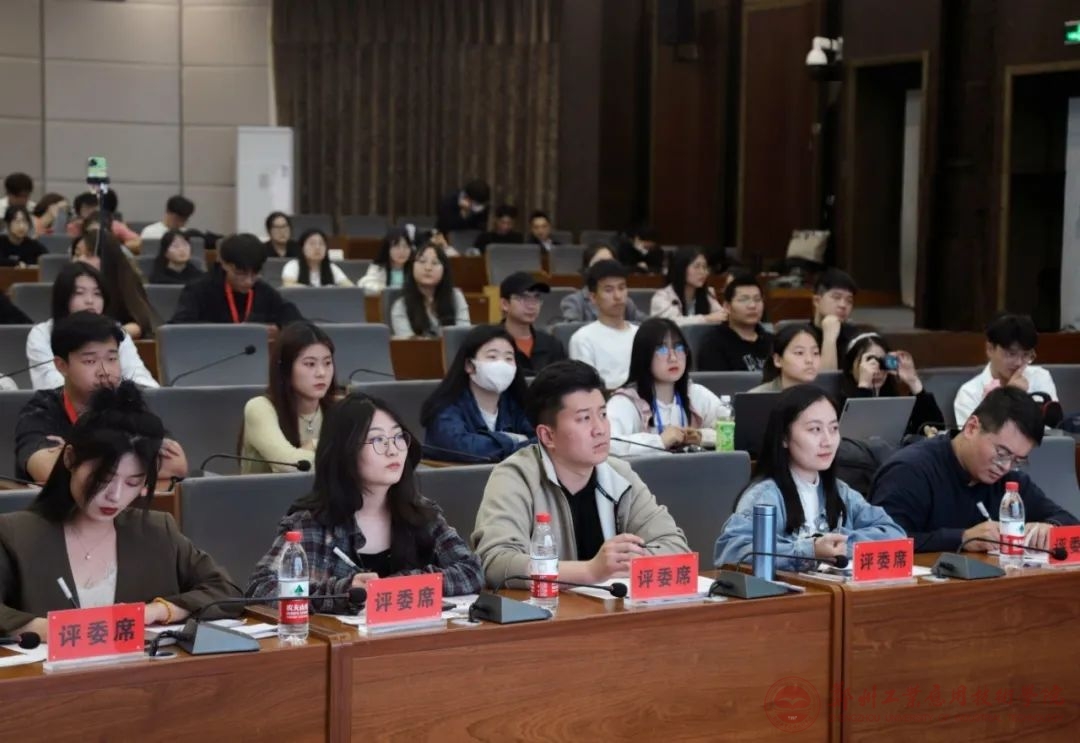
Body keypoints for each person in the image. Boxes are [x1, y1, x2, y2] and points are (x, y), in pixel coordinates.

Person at [0, 381, 239, 636]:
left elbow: (226, 592)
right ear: (70, 459)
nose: (115, 496)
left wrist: (158, 611)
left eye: (132, 483)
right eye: (103, 479)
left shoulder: (157, 531)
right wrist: (50, 630)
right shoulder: (15, 534)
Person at [246, 394, 484, 608]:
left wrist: (401, 586)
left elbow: (471, 571)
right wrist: (342, 591)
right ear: (345, 451)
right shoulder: (313, 523)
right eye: (378, 440)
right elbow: (261, 588)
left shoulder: (421, 513)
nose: (393, 450)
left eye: (398, 437)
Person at [471, 360, 690, 587]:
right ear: (548, 436)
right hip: (545, 607)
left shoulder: (619, 474)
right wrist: (590, 571)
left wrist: (626, 562)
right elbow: (496, 563)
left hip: (611, 605)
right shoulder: (515, 477)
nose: (600, 429)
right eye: (584, 418)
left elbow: (674, 545)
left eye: (603, 414)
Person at [713, 384, 905, 571]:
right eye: (815, 429)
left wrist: (840, 544)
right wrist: (810, 550)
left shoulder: (841, 491)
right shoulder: (764, 496)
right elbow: (731, 551)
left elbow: (895, 534)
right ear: (784, 437)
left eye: (834, 428)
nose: (828, 441)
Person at [871, 387, 1079, 553]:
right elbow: (882, 543)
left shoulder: (1010, 481)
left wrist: (1051, 527)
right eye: (1002, 453)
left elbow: (1068, 520)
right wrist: (962, 538)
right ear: (972, 427)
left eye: (1018, 460)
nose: (1006, 466)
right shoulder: (910, 471)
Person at [16, 312, 186, 484]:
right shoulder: (42, 408)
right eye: (90, 361)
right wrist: (135, 455)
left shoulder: (128, 401)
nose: (105, 371)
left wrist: (78, 457)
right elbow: (47, 471)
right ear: (61, 365)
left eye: (112, 358)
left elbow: (176, 464)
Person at [26, 262, 158, 391]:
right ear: (63, 298)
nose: (90, 301)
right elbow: (51, 384)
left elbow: (140, 377)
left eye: (97, 294)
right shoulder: (42, 334)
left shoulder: (115, 332)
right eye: (79, 293)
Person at [608, 318, 730, 456]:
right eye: (662, 349)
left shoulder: (696, 394)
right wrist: (660, 441)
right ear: (644, 355)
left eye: (679, 348)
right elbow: (609, 443)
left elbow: (733, 430)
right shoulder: (626, 402)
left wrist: (702, 437)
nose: (673, 358)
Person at [420, 325, 535, 463]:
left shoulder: (516, 405)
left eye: (509, 358)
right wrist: (514, 440)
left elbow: (544, 442)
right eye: (492, 357)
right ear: (469, 365)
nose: (502, 364)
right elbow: (462, 448)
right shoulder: (444, 408)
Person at [241, 321, 341, 474]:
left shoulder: (341, 408)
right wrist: (322, 446)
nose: (321, 373)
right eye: (310, 364)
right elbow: (289, 465)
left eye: (327, 363)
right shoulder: (259, 408)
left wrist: (314, 445)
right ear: (285, 368)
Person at [170, 233, 303, 327]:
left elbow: (298, 323)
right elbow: (179, 327)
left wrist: (280, 329)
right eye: (240, 274)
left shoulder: (265, 292)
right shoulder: (198, 290)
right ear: (224, 264)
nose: (248, 281)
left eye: (255, 274)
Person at [953, 313, 1058, 426]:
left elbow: (1051, 429)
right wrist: (1012, 396)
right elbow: (975, 436)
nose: (1018, 363)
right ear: (990, 349)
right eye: (1011, 354)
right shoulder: (969, 394)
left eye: (1026, 355)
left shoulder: (1040, 377)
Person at [840, 332, 944, 436]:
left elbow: (935, 429)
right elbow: (856, 434)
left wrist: (914, 382)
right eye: (869, 362)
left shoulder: (895, 402)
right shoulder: (840, 403)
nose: (877, 370)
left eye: (882, 362)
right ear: (850, 368)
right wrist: (864, 385)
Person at [568, 260, 638, 389]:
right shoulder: (582, 339)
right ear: (593, 297)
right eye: (608, 290)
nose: (618, 296)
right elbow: (586, 388)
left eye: (621, 288)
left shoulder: (640, 334)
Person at [81, 230, 158, 340]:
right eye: (77, 254)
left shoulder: (125, 283)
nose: (81, 259)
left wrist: (107, 335)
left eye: (88, 255)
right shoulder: (72, 281)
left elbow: (138, 325)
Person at [697, 272, 773, 372]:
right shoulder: (713, 343)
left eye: (757, 299)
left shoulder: (772, 342)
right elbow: (715, 380)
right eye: (743, 300)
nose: (752, 305)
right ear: (727, 307)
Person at [389, 244, 470, 338]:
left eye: (435, 263)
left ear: (444, 270)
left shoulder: (456, 298)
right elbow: (409, 343)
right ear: (412, 267)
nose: (428, 268)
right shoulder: (401, 306)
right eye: (422, 261)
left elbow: (463, 336)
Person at [559, 243, 647, 323]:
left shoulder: (626, 302)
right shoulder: (575, 301)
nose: (605, 268)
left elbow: (646, 323)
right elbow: (569, 329)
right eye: (599, 263)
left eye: (610, 263)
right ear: (587, 269)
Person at [498, 271, 566, 374]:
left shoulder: (552, 344)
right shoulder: (489, 342)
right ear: (505, 304)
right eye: (523, 298)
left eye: (536, 298)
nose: (531, 305)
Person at [649, 246, 726, 325]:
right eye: (697, 266)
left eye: (704, 267)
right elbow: (670, 324)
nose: (703, 272)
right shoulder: (662, 296)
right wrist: (705, 319)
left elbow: (720, 316)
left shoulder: (707, 294)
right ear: (681, 268)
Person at [748, 323, 822, 393]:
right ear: (777, 360)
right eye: (799, 353)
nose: (810, 360)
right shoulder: (756, 397)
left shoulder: (823, 397)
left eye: (815, 353)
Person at [812, 268, 860, 371]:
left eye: (849, 300)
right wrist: (829, 338)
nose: (843, 305)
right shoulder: (801, 336)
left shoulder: (856, 337)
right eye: (836, 297)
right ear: (817, 301)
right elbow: (826, 379)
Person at [281, 229, 351, 288]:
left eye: (321, 244)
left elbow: (350, 288)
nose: (317, 247)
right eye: (312, 243)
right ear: (302, 248)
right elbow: (288, 287)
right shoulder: (293, 266)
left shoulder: (332, 268)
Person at [357, 227, 413, 294]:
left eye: (406, 246)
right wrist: (383, 289)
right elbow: (365, 284)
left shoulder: (415, 267)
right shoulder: (378, 267)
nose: (402, 251)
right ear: (387, 248)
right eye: (396, 246)